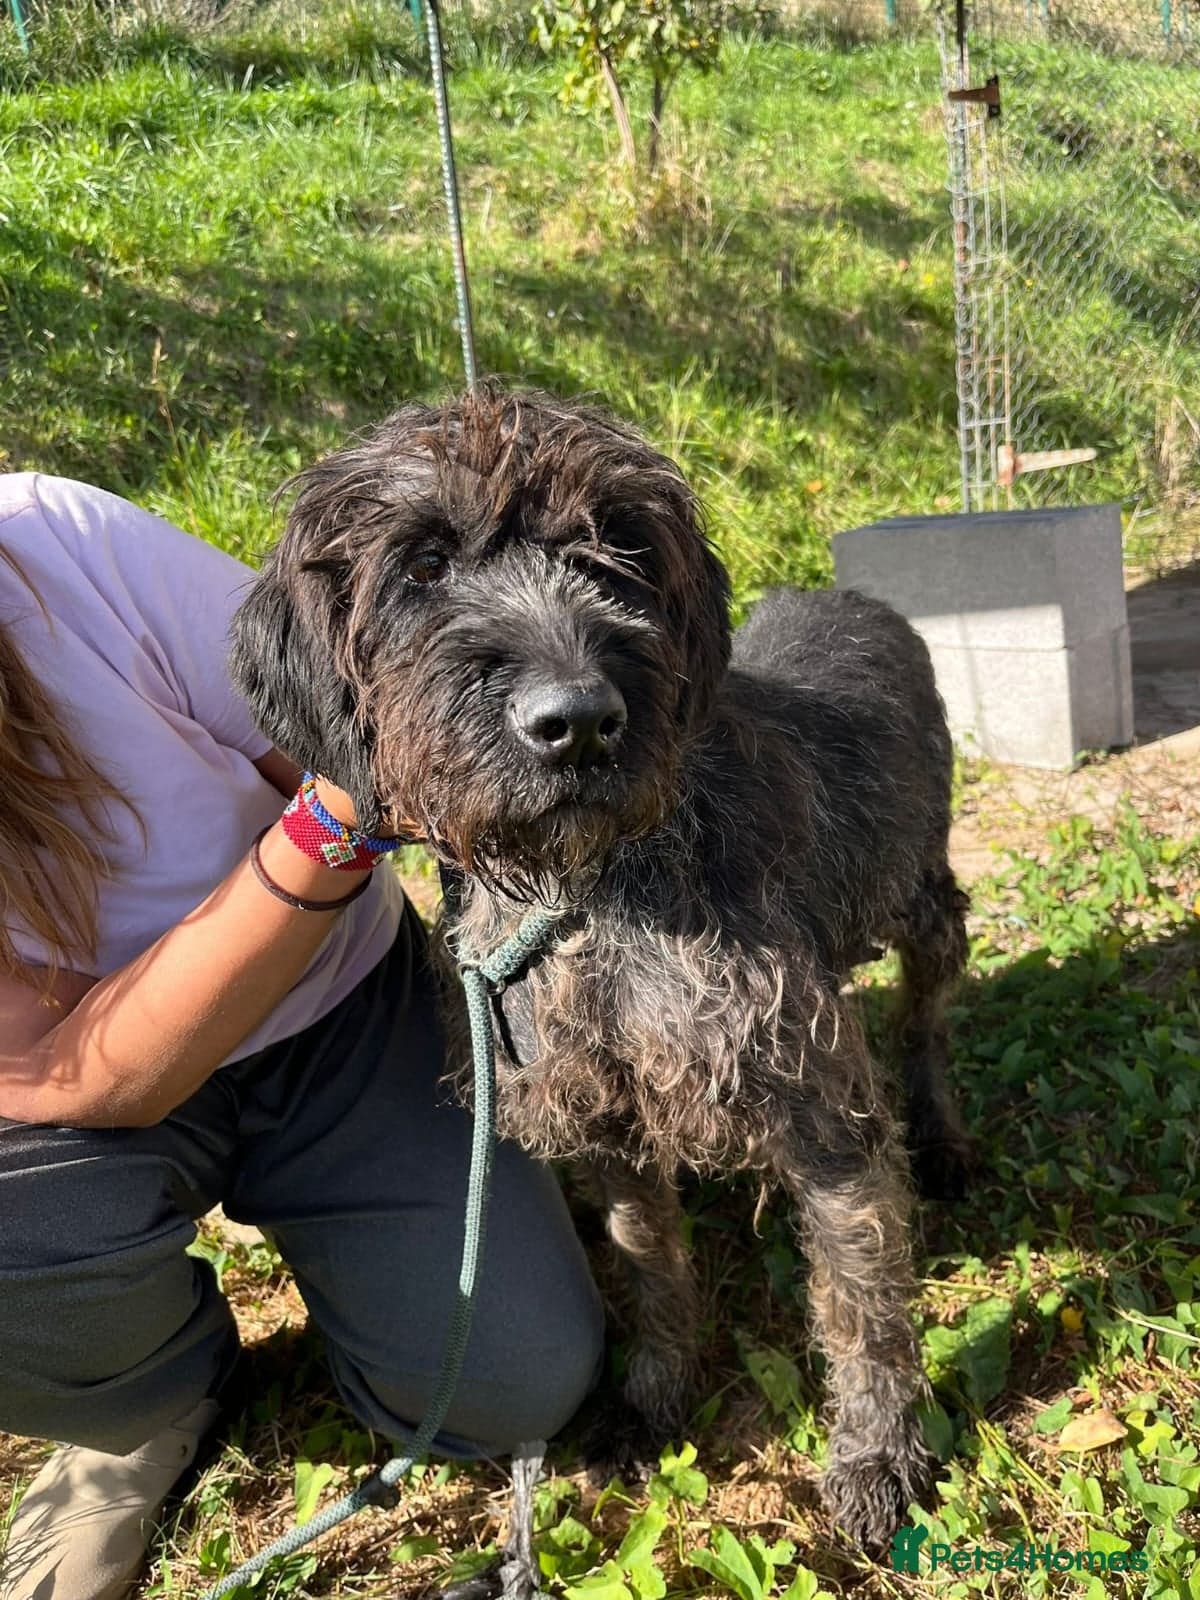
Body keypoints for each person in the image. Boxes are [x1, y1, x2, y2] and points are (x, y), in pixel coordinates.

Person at [0, 472, 603, 1600]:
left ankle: (376, 1268)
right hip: (79, 1107)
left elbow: (336, 711)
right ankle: (144, 1395)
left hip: (337, 1007)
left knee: (513, 1378)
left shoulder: (47, 540)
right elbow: (78, 1070)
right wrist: (334, 827)